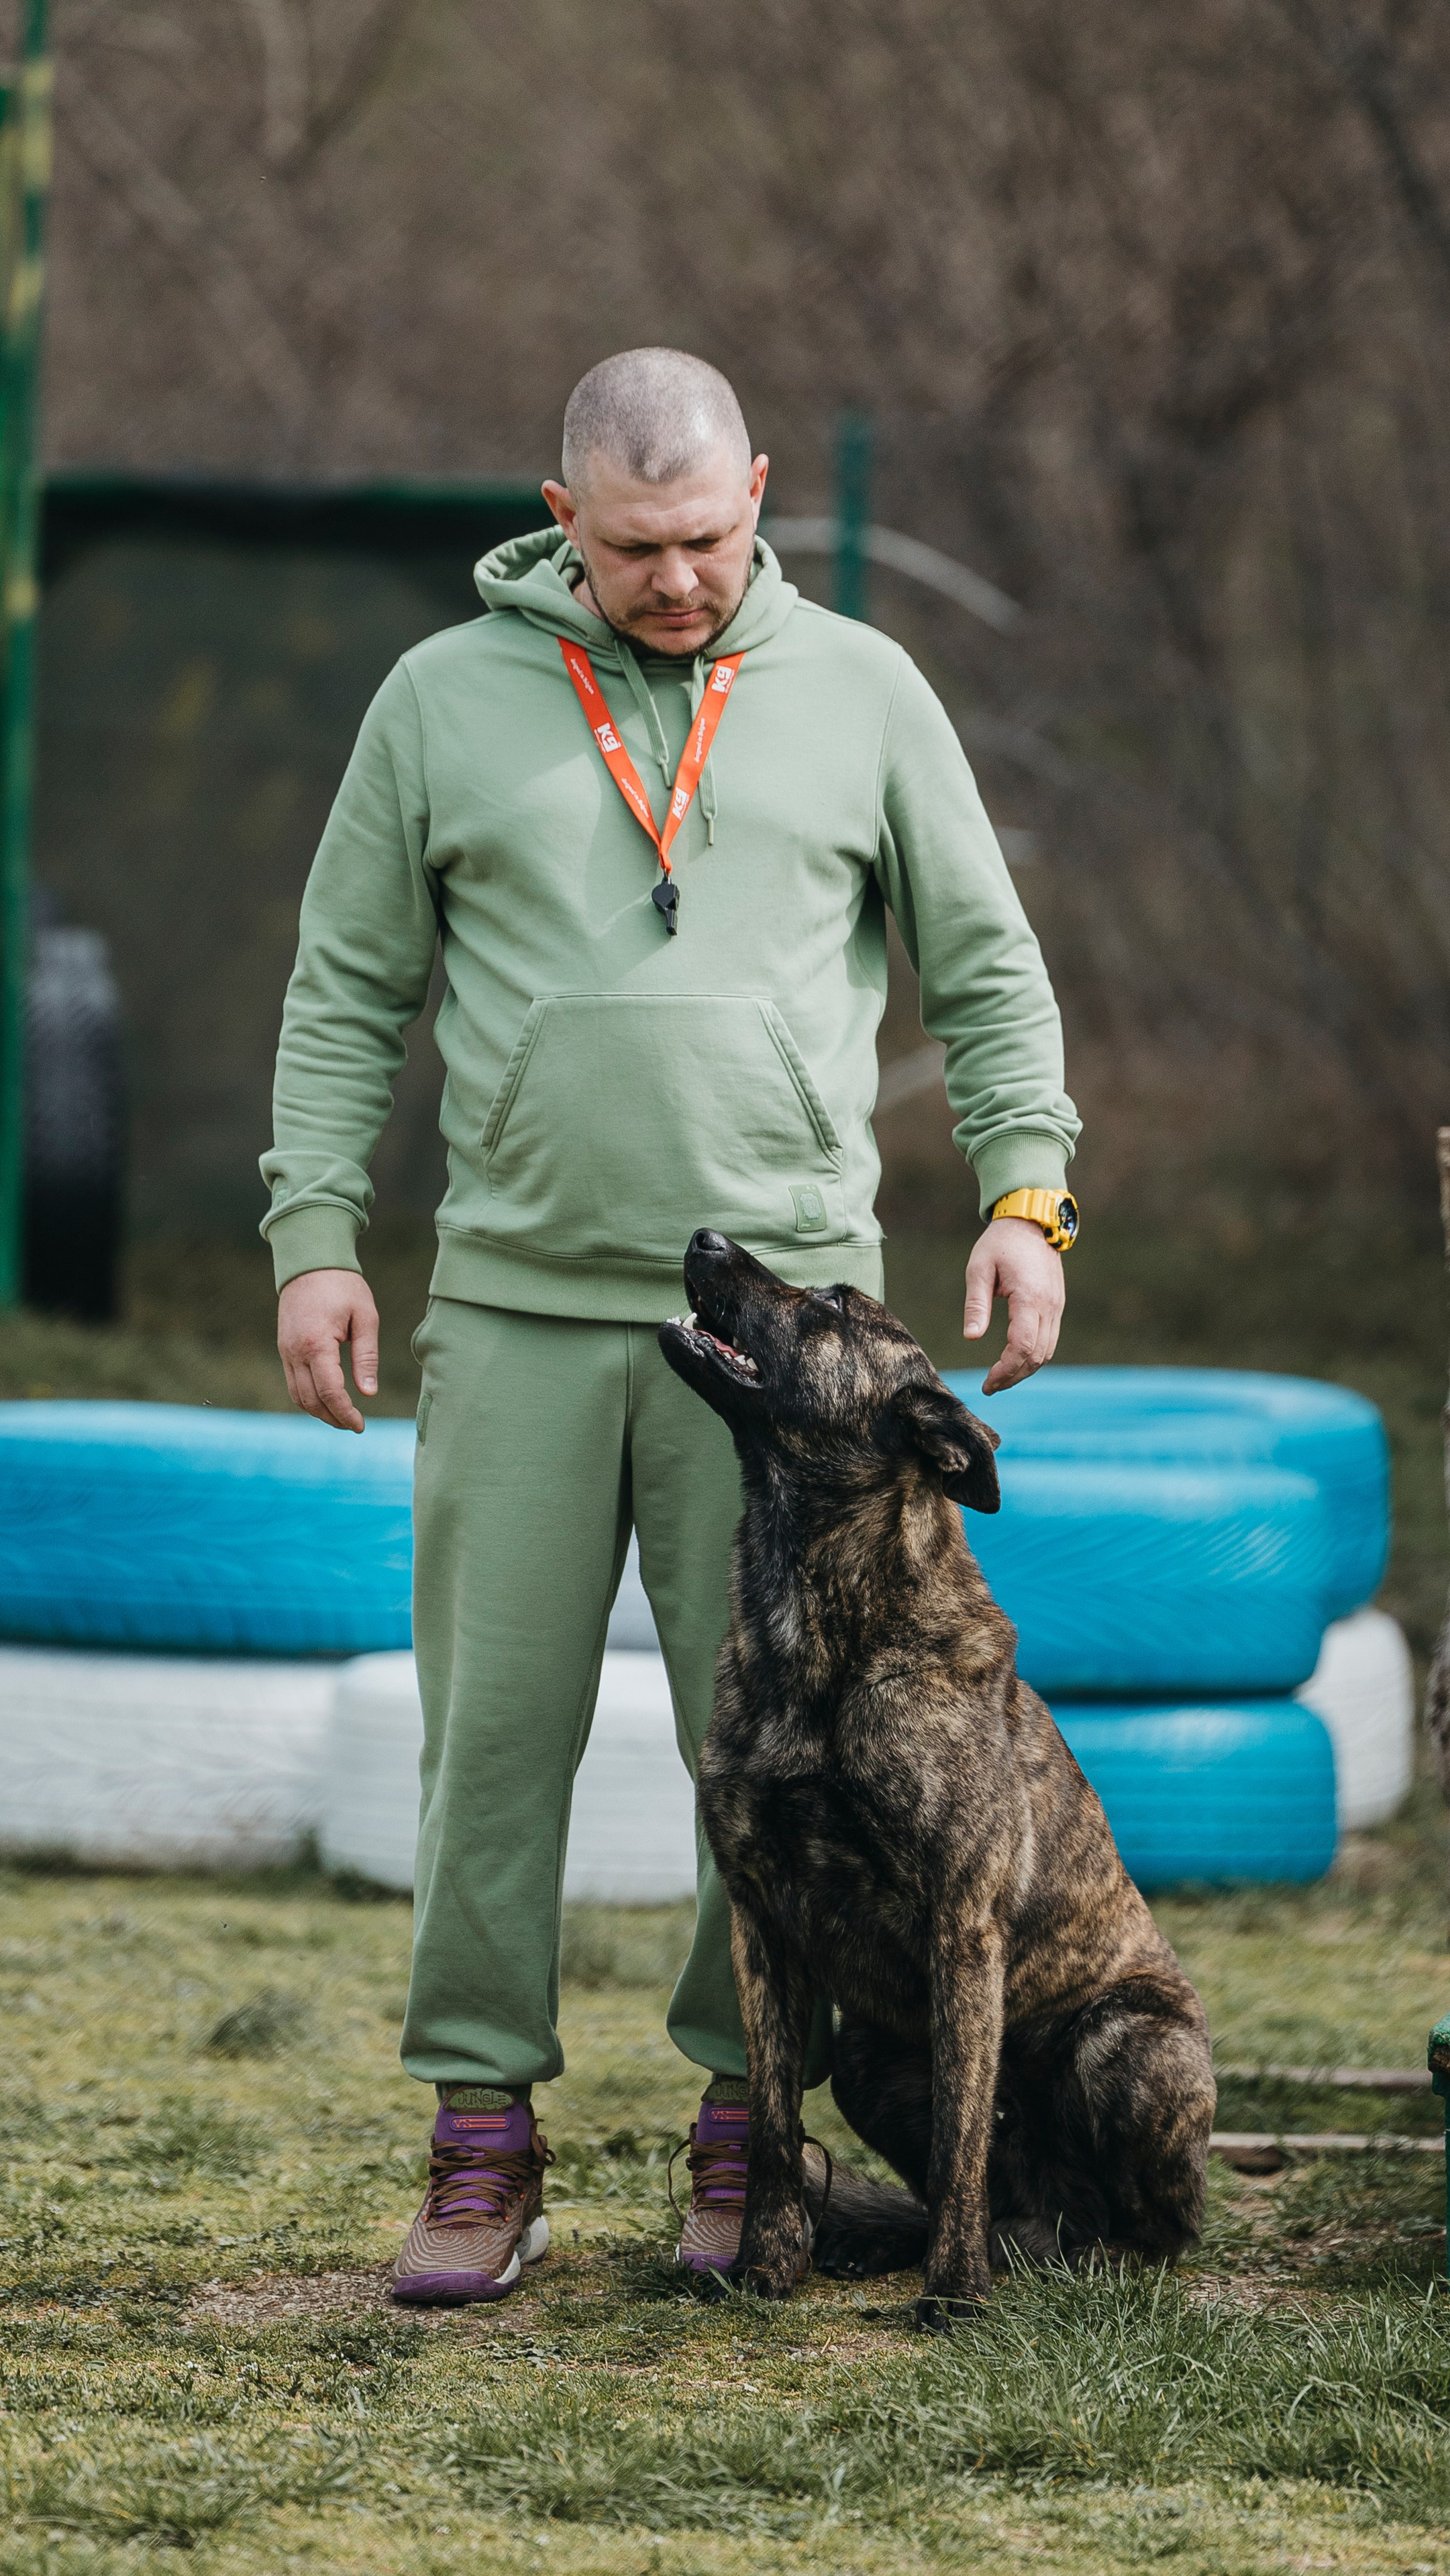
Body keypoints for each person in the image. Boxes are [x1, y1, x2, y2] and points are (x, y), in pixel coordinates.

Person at [262, 347, 1080, 2306]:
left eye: (714, 537)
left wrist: (1027, 1197)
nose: (684, 581)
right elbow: (342, 990)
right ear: (566, 522)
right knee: (492, 1739)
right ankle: (482, 2137)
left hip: (796, 1354)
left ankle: (747, 2138)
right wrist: (316, 1235)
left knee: (789, 1759)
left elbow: (988, 970)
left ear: (763, 495)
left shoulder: (866, 691)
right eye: (638, 548)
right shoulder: (439, 701)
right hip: (524, 1311)